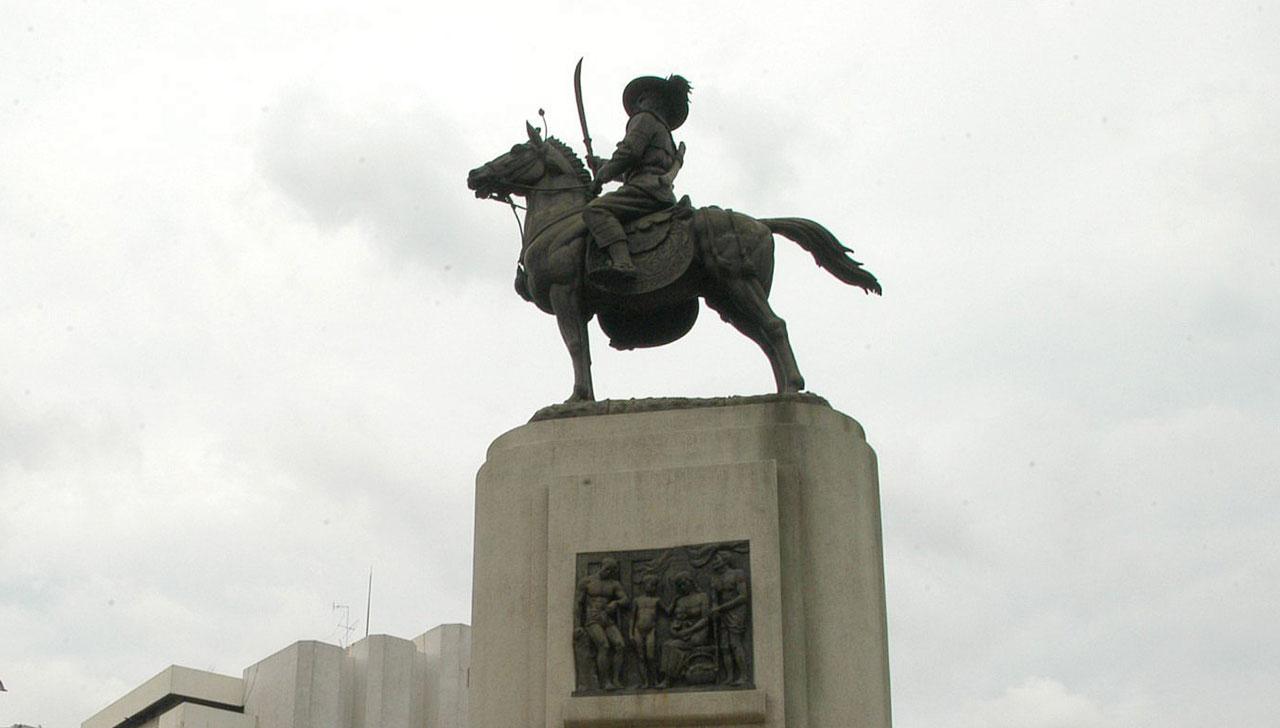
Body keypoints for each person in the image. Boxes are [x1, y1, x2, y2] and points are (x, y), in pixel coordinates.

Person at [584, 74, 691, 282]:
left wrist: (601, 177)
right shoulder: (665, 133)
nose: (638, 102)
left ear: (656, 100)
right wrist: (600, 164)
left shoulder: (645, 119)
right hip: (661, 193)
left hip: (645, 191)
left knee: (595, 210)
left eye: (643, 97)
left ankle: (623, 262)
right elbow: (638, 168)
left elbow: (629, 153)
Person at [574, 557, 629, 690]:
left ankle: (616, 679)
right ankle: (605, 682)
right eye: (607, 568)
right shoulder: (587, 582)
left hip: (607, 618)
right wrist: (577, 625)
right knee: (604, 645)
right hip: (592, 619)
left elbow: (625, 599)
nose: (609, 572)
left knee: (620, 645)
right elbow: (578, 605)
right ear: (601, 566)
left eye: (612, 570)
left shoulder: (614, 584)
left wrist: (616, 602)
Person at [710, 551, 751, 686]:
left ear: (725, 560)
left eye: (717, 559)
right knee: (724, 647)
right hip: (722, 613)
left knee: (735, 643)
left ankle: (744, 676)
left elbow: (743, 596)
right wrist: (715, 607)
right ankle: (729, 677)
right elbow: (715, 599)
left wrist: (721, 607)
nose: (714, 562)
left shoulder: (737, 574)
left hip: (736, 612)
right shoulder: (715, 578)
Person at [629, 573, 666, 688]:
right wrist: (630, 634)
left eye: (655, 585)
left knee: (651, 656)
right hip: (638, 630)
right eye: (651, 584)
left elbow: (668, 611)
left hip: (651, 630)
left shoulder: (657, 600)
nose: (653, 587)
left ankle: (655, 681)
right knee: (641, 657)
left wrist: (676, 600)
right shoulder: (637, 600)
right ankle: (645, 682)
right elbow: (632, 618)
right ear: (644, 585)